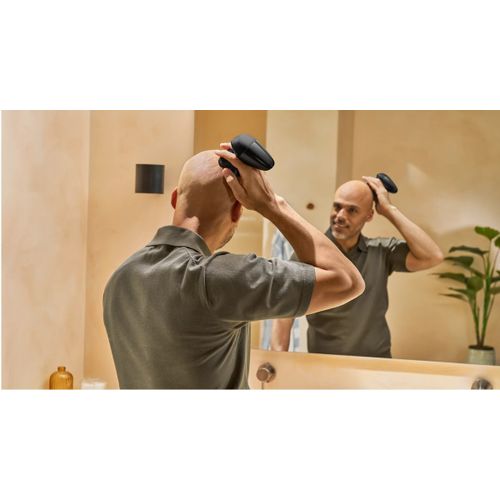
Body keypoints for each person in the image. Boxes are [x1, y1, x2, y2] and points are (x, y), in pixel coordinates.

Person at [103, 146, 365, 389]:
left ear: (174, 198)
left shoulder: (121, 279)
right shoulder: (218, 278)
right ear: (239, 211)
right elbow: (348, 281)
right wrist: (272, 205)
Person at [271, 176, 444, 358]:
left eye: (352, 210)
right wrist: (278, 363)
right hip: (325, 364)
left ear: (369, 215)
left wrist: (388, 210)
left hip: (377, 364)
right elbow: (284, 312)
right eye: (337, 207)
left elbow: (432, 256)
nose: (340, 216)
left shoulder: (381, 251)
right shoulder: (309, 252)